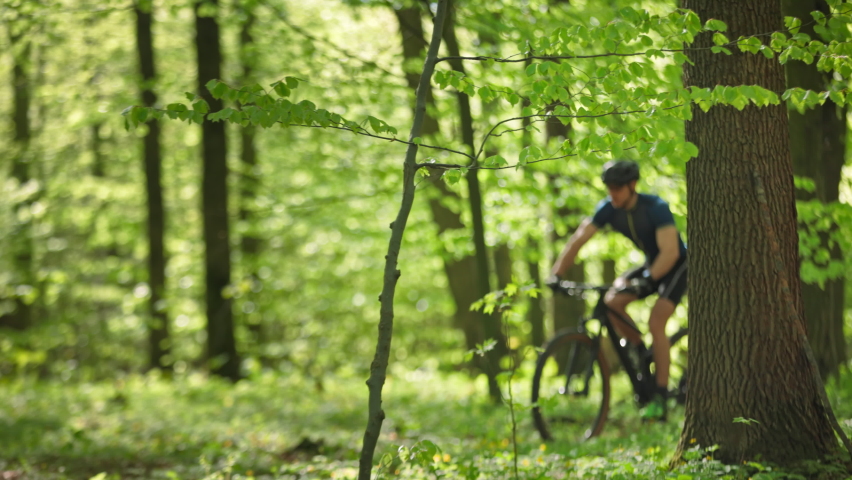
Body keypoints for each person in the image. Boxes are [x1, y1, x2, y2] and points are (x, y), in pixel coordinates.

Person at [549, 159, 687, 421]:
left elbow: (670, 252)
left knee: (656, 321)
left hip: (678, 265)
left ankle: (660, 396)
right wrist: (556, 274)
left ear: (632, 185)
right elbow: (579, 239)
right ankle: (639, 349)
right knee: (611, 301)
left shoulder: (655, 207)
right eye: (609, 187)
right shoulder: (608, 209)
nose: (612, 193)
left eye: (617, 188)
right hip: (651, 264)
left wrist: (647, 279)